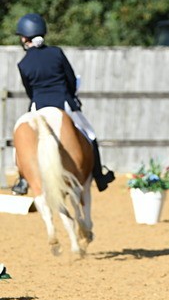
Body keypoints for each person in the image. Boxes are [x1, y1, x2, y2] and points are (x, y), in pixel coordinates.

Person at [12, 13, 115, 192]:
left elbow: (30, 91)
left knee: (22, 142)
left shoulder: (24, 64)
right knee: (90, 135)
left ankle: (22, 180)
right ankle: (99, 176)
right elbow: (70, 79)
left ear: (24, 37)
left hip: (38, 105)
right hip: (64, 102)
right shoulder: (56, 53)